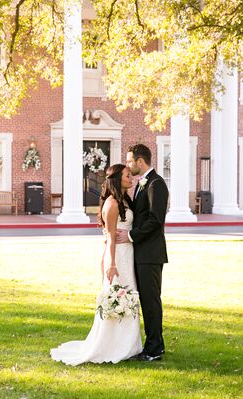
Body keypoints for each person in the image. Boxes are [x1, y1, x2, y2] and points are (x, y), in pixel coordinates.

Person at [50, 164, 142, 365]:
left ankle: (128, 344)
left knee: (129, 296)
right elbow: (110, 237)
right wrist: (111, 265)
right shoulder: (112, 204)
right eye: (127, 176)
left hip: (127, 253)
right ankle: (111, 345)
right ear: (118, 179)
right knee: (118, 297)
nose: (131, 178)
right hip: (117, 257)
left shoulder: (125, 200)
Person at [116, 144, 169, 362]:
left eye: (130, 161)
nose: (128, 165)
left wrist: (130, 236)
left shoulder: (156, 184)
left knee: (151, 301)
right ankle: (156, 345)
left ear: (140, 161)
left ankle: (154, 350)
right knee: (146, 301)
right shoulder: (141, 184)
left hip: (150, 254)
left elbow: (155, 221)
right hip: (140, 254)